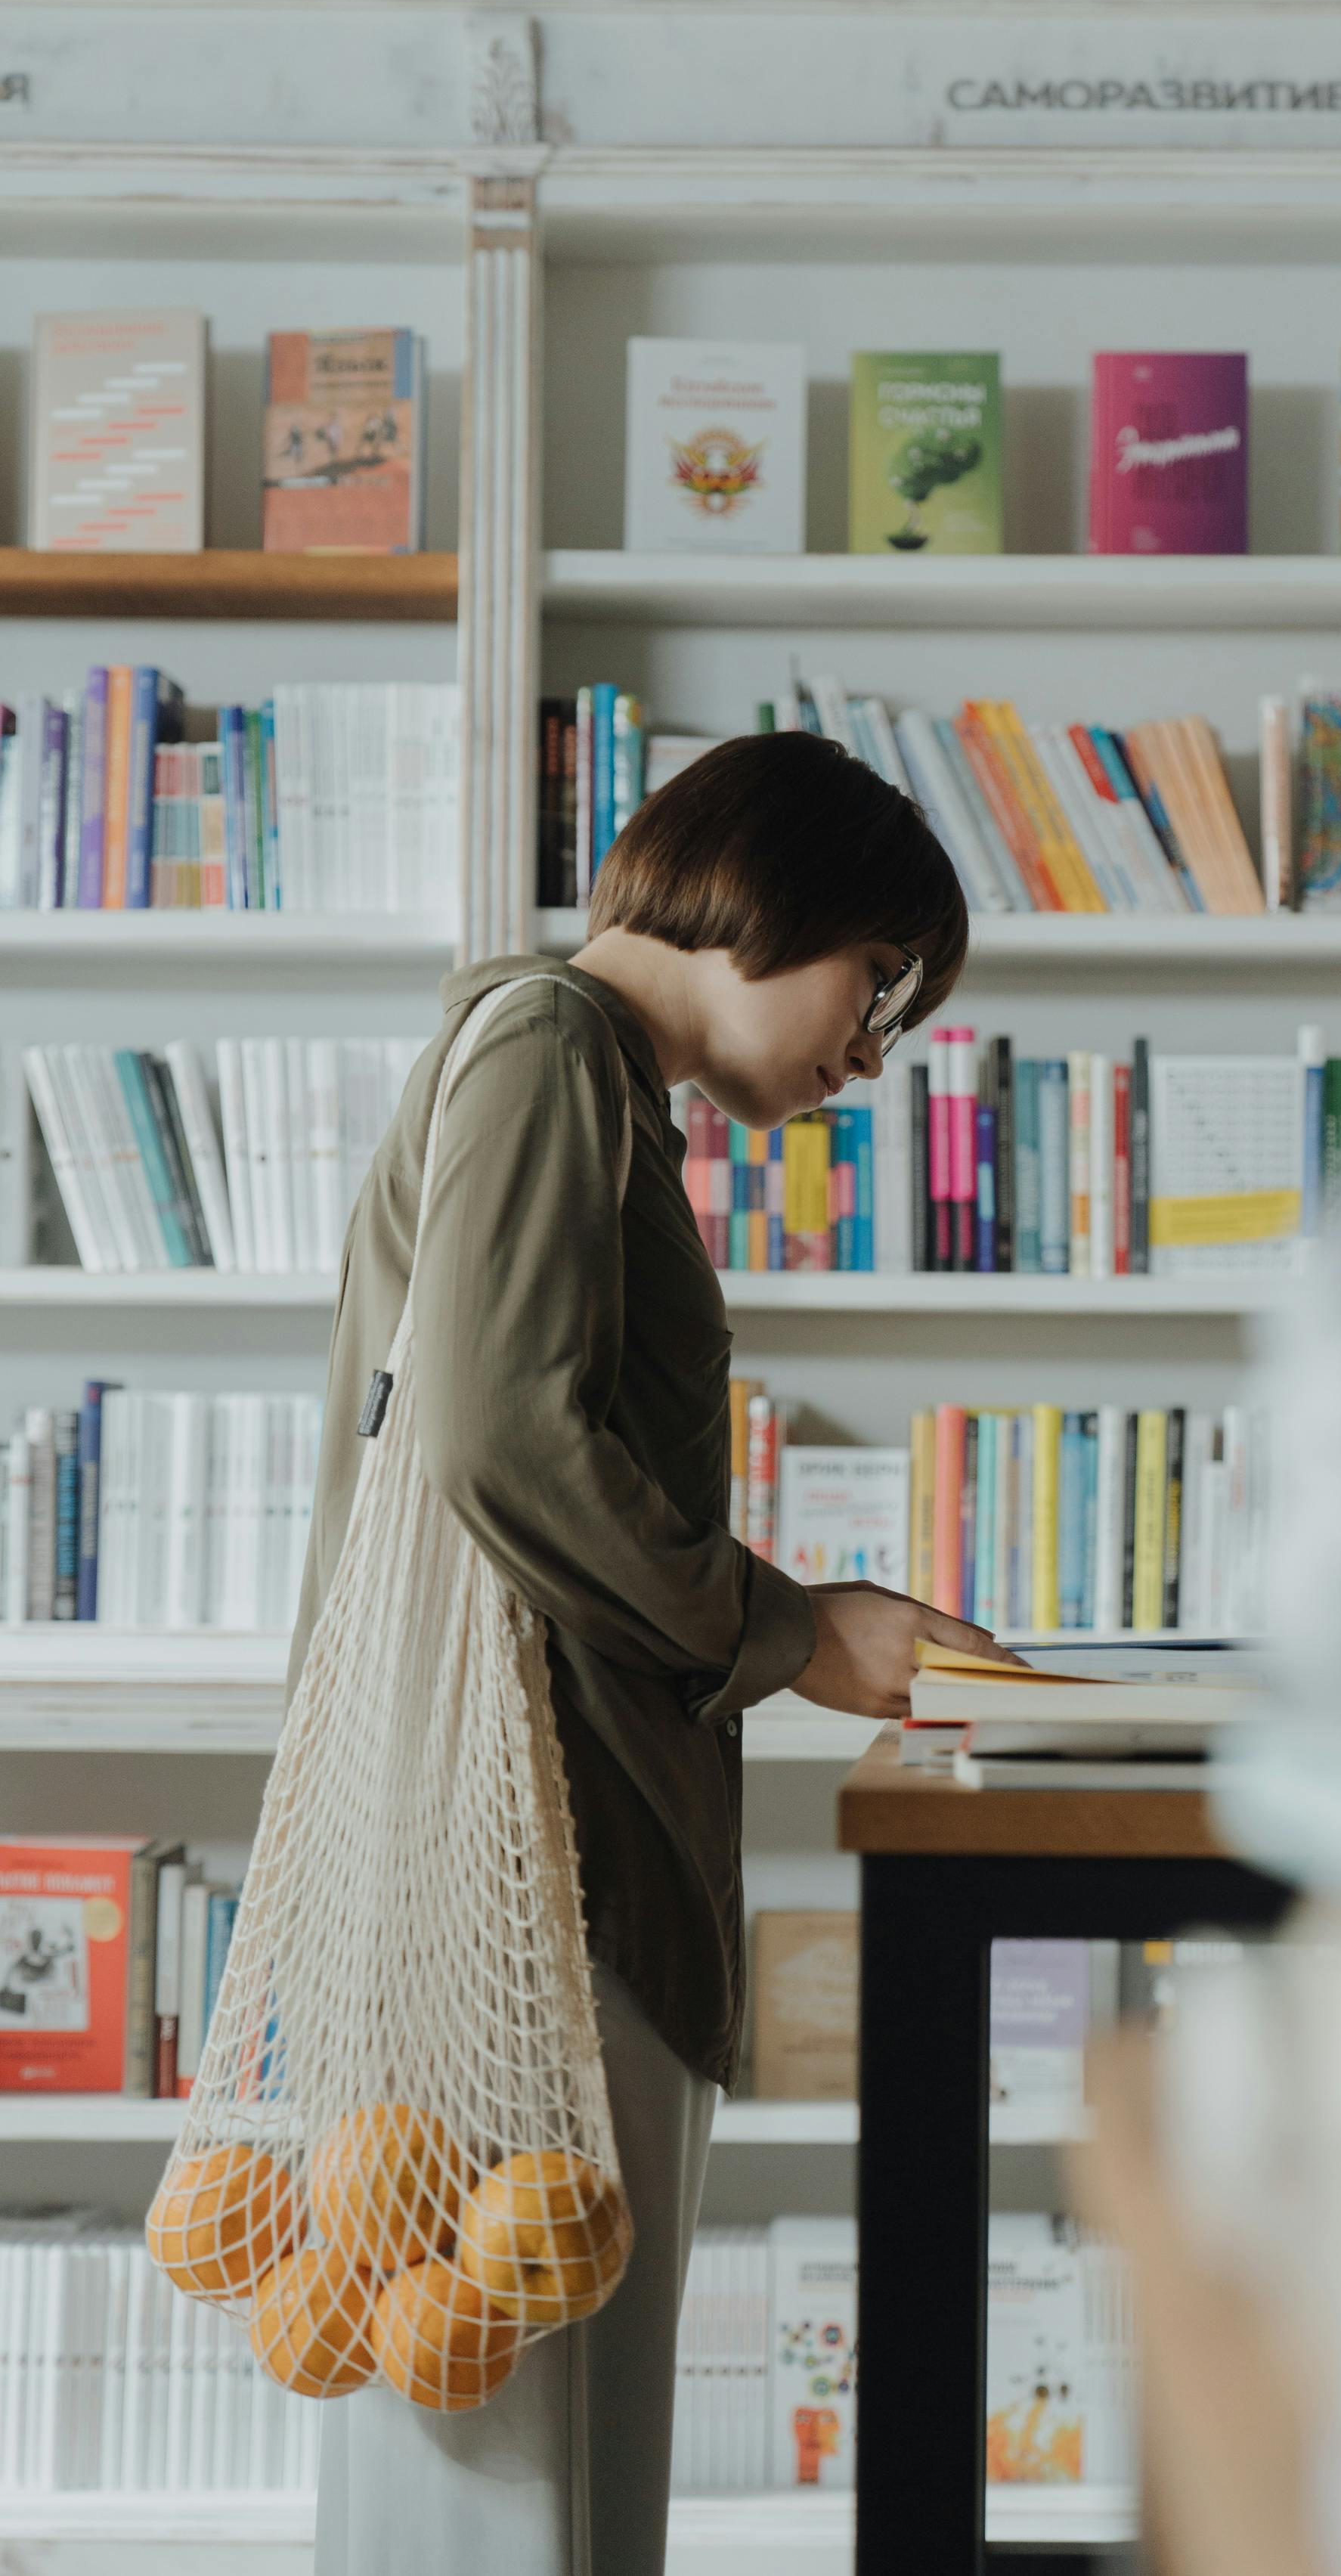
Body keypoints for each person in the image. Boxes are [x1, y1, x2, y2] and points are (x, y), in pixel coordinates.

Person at [299, 729, 1012, 2575]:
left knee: (533, 2454)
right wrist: (796, 1627)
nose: (869, 1060)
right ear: (770, 903)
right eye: (878, 994)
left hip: (541, 1857)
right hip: (529, 1874)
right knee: (513, 2468)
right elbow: (496, 1440)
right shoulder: (549, 1050)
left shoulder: (582, 1074)